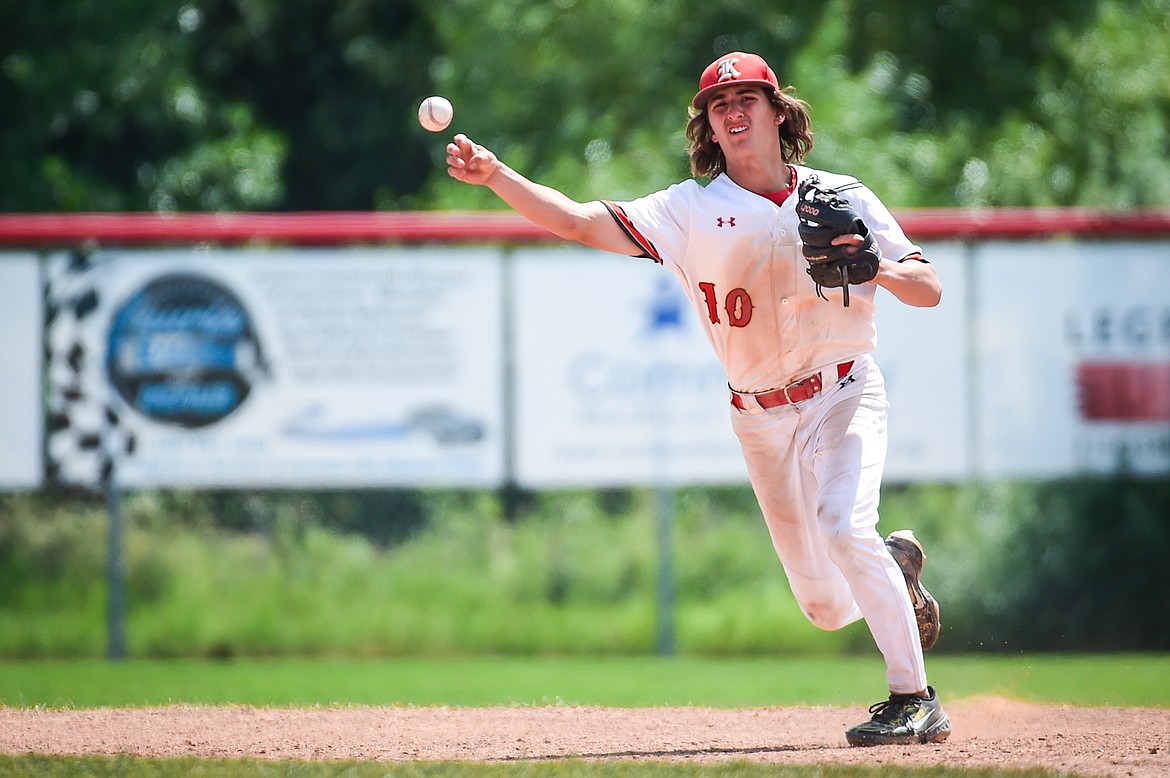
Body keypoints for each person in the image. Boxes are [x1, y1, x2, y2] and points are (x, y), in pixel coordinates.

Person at [445, 51, 950, 747]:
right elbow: (576, 222)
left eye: (748, 98)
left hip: (843, 391)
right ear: (708, 128)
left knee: (843, 526)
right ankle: (892, 572)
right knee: (826, 607)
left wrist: (879, 266)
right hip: (760, 417)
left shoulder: (842, 195)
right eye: (719, 105)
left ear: (780, 112)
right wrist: (496, 175)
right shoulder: (688, 210)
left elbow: (929, 289)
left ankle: (914, 700)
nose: (734, 112)